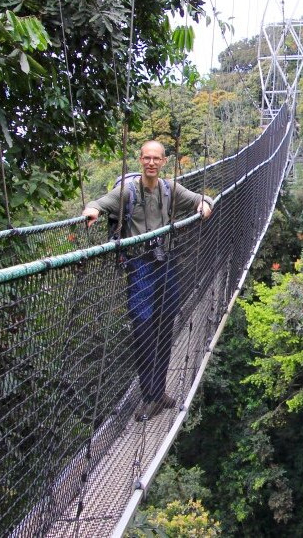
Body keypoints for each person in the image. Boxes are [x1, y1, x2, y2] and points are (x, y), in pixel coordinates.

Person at [82, 140, 213, 421]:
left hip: (165, 264)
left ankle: (159, 391)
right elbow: (99, 204)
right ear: (140, 160)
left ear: (164, 162)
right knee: (142, 331)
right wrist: (92, 211)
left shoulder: (170, 188)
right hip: (139, 267)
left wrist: (204, 203)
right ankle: (150, 396)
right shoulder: (127, 191)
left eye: (156, 158)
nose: (151, 163)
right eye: (147, 158)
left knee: (165, 327)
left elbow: (200, 198)